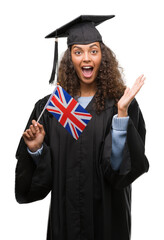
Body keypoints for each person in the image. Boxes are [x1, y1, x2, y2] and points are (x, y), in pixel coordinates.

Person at [15, 15, 149, 240]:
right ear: (70, 59)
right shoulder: (52, 107)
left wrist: (121, 116)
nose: (86, 58)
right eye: (78, 52)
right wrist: (37, 150)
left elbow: (120, 172)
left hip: (107, 222)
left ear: (102, 57)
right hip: (65, 222)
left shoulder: (120, 104)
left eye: (93, 51)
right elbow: (37, 183)